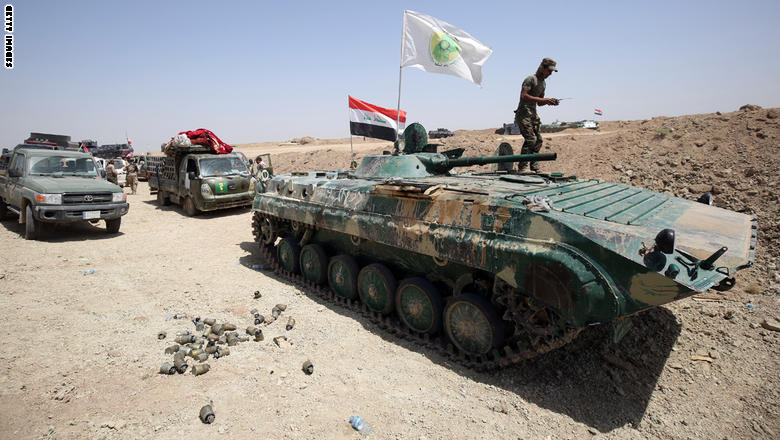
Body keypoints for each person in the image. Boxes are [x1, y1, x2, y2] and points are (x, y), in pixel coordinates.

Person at [515, 57, 560, 172]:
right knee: (531, 139)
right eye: (549, 70)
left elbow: (539, 103)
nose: (550, 73)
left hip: (533, 115)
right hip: (523, 114)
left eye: (552, 71)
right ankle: (522, 167)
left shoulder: (543, 84)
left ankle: (534, 167)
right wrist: (544, 100)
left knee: (538, 140)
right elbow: (524, 96)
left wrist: (548, 102)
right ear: (542, 68)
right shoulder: (531, 79)